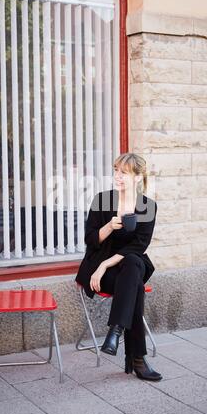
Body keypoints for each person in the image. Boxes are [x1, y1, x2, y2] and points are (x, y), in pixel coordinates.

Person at [75, 152, 162, 381]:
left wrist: (105, 264)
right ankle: (138, 360)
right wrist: (109, 227)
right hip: (100, 270)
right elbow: (90, 239)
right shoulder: (102, 200)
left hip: (118, 264)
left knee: (133, 262)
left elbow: (139, 246)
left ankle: (115, 330)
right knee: (134, 287)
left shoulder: (147, 207)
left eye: (124, 172)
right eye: (116, 170)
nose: (118, 176)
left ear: (137, 177)